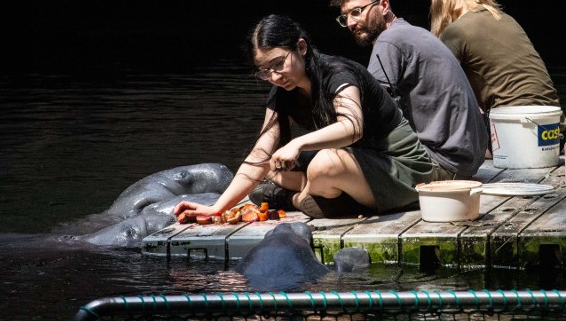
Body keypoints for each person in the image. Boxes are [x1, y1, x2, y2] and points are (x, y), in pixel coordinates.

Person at [173, 14, 440, 220]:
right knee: (271, 167)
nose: (274, 77)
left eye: (278, 64)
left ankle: (300, 198)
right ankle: (315, 192)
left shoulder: (338, 74)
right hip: (359, 169)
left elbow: (353, 127)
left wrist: (297, 143)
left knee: (323, 163)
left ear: (301, 47)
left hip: (405, 172)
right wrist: (216, 208)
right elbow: (260, 155)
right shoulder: (282, 92)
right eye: (265, 71)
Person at [329, 0, 488, 179]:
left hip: (443, 162)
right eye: (345, 17)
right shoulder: (412, 32)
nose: (351, 22)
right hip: (466, 160)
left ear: (384, 5)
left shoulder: (389, 41)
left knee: (337, 160)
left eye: (357, 12)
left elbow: (367, 111)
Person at [429, 0, 565, 128]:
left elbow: (438, 87)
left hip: (514, 127)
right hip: (554, 121)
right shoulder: (506, 19)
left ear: (441, 3)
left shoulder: (455, 31)